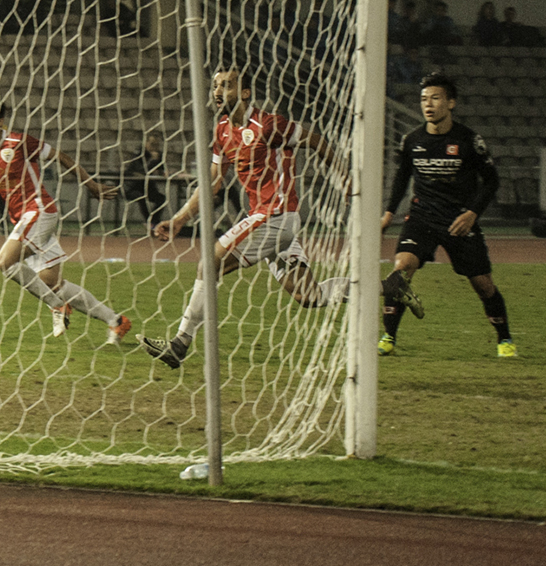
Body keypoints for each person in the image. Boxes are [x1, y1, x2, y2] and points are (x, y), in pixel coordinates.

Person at [140, 67, 353, 370]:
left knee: (209, 262)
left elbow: (315, 140)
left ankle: (179, 344)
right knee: (309, 294)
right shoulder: (222, 131)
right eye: (215, 86)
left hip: (276, 214)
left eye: (226, 85)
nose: (217, 92)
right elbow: (212, 180)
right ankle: (386, 286)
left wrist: (344, 178)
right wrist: (180, 219)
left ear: (244, 92)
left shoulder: (268, 124)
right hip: (269, 221)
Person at [0, 96, 129, 343]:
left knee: (5, 261)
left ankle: (57, 307)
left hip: (40, 210)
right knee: (52, 283)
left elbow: (60, 156)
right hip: (22, 219)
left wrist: (91, 184)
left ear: (0, 121)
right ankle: (116, 321)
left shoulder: (19, 142)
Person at [377, 74, 515, 359]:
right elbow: (402, 178)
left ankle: (505, 340)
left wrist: (472, 214)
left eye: (436, 98)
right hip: (422, 218)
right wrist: (388, 213)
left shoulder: (469, 141)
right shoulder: (412, 140)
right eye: (424, 99)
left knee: (483, 284)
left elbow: (491, 181)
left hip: (458, 222)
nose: (429, 104)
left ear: (450, 103)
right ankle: (388, 336)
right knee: (400, 270)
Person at [120, 130, 171, 234]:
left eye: (157, 145)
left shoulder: (158, 155)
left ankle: (153, 222)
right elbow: (142, 172)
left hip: (148, 187)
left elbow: (162, 170)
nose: (154, 147)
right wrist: (152, 161)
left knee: (161, 199)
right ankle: (150, 222)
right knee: (141, 197)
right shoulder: (139, 153)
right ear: (146, 143)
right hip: (132, 186)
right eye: (152, 144)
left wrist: (166, 172)